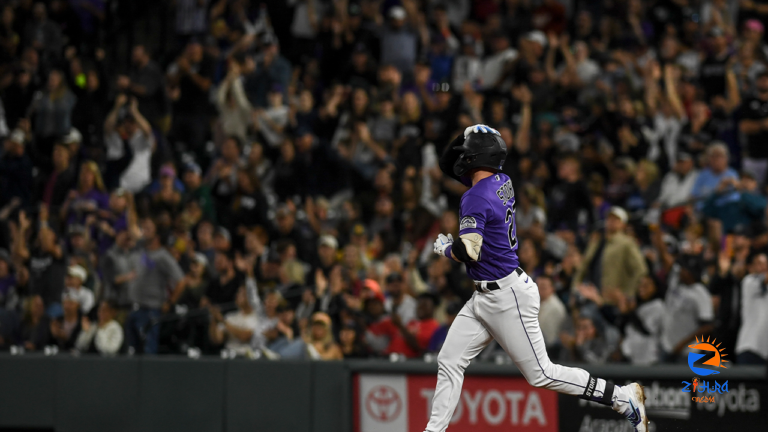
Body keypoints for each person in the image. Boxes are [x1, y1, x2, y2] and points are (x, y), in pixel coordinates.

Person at [427, 124, 648, 432]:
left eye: (466, 151)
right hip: (487, 295)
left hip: (507, 296)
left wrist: (446, 249)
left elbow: (469, 251)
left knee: (542, 374)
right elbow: (449, 165)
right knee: (449, 361)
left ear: (476, 157)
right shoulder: (501, 180)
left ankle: (623, 398)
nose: (460, 156)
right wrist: (468, 134)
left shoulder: (475, 197)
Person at [734, 254, 768, 365]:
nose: (764, 267)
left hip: (764, 350)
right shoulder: (749, 282)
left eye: (766, 264)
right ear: (751, 268)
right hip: (750, 347)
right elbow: (764, 279)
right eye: (759, 264)